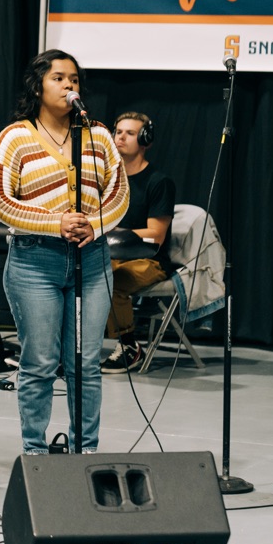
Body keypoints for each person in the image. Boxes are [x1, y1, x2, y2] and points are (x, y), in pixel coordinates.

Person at [0, 49, 129, 455]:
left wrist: (92, 226)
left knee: (85, 364)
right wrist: (55, 223)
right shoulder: (14, 137)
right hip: (35, 261)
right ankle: (35, 453)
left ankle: (86, 453)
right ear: (37, 86)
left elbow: (117, 191)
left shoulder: (97, 135)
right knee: (40, 364)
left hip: (92, 261)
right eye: (59, 78)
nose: (69, 85)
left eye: (75, 80)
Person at [102, 112, 175, 372]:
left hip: (149, 260)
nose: (120, 137)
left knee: (111, 282)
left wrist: (120, 233)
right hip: (110, 255)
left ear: (145, 140)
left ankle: (130, 346)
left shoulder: (159, 182)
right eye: (118, 131)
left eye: (129, 133)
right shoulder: (107, 180)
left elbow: (156, 233)